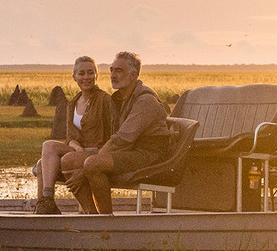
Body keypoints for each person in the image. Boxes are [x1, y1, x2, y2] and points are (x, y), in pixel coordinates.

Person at [65, 51, 173, 214]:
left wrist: (86, 168)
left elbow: (120, 139)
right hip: (129, 151)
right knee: (69, 161)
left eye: (119, 71)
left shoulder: (145, 101)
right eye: (111, 70)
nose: (113, 75)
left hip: (148, 155)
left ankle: (106, 219)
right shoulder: (120, 98)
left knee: (93, 164)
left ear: (133, 75)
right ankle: (90, 214)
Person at [33, 56, 112, 214]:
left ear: (96, 75)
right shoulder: (73, 103)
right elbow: (70, 137)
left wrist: (90, 153)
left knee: (53, 162)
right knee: (46, 153)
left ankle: (89, 213)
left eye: (90, 73)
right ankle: (46, 203)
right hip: (79, 152)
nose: (86, 77)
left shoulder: (105, 100)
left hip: (97, 153)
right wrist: (76, 146)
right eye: (81, 73)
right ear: (74, 77)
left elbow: (113, 134)